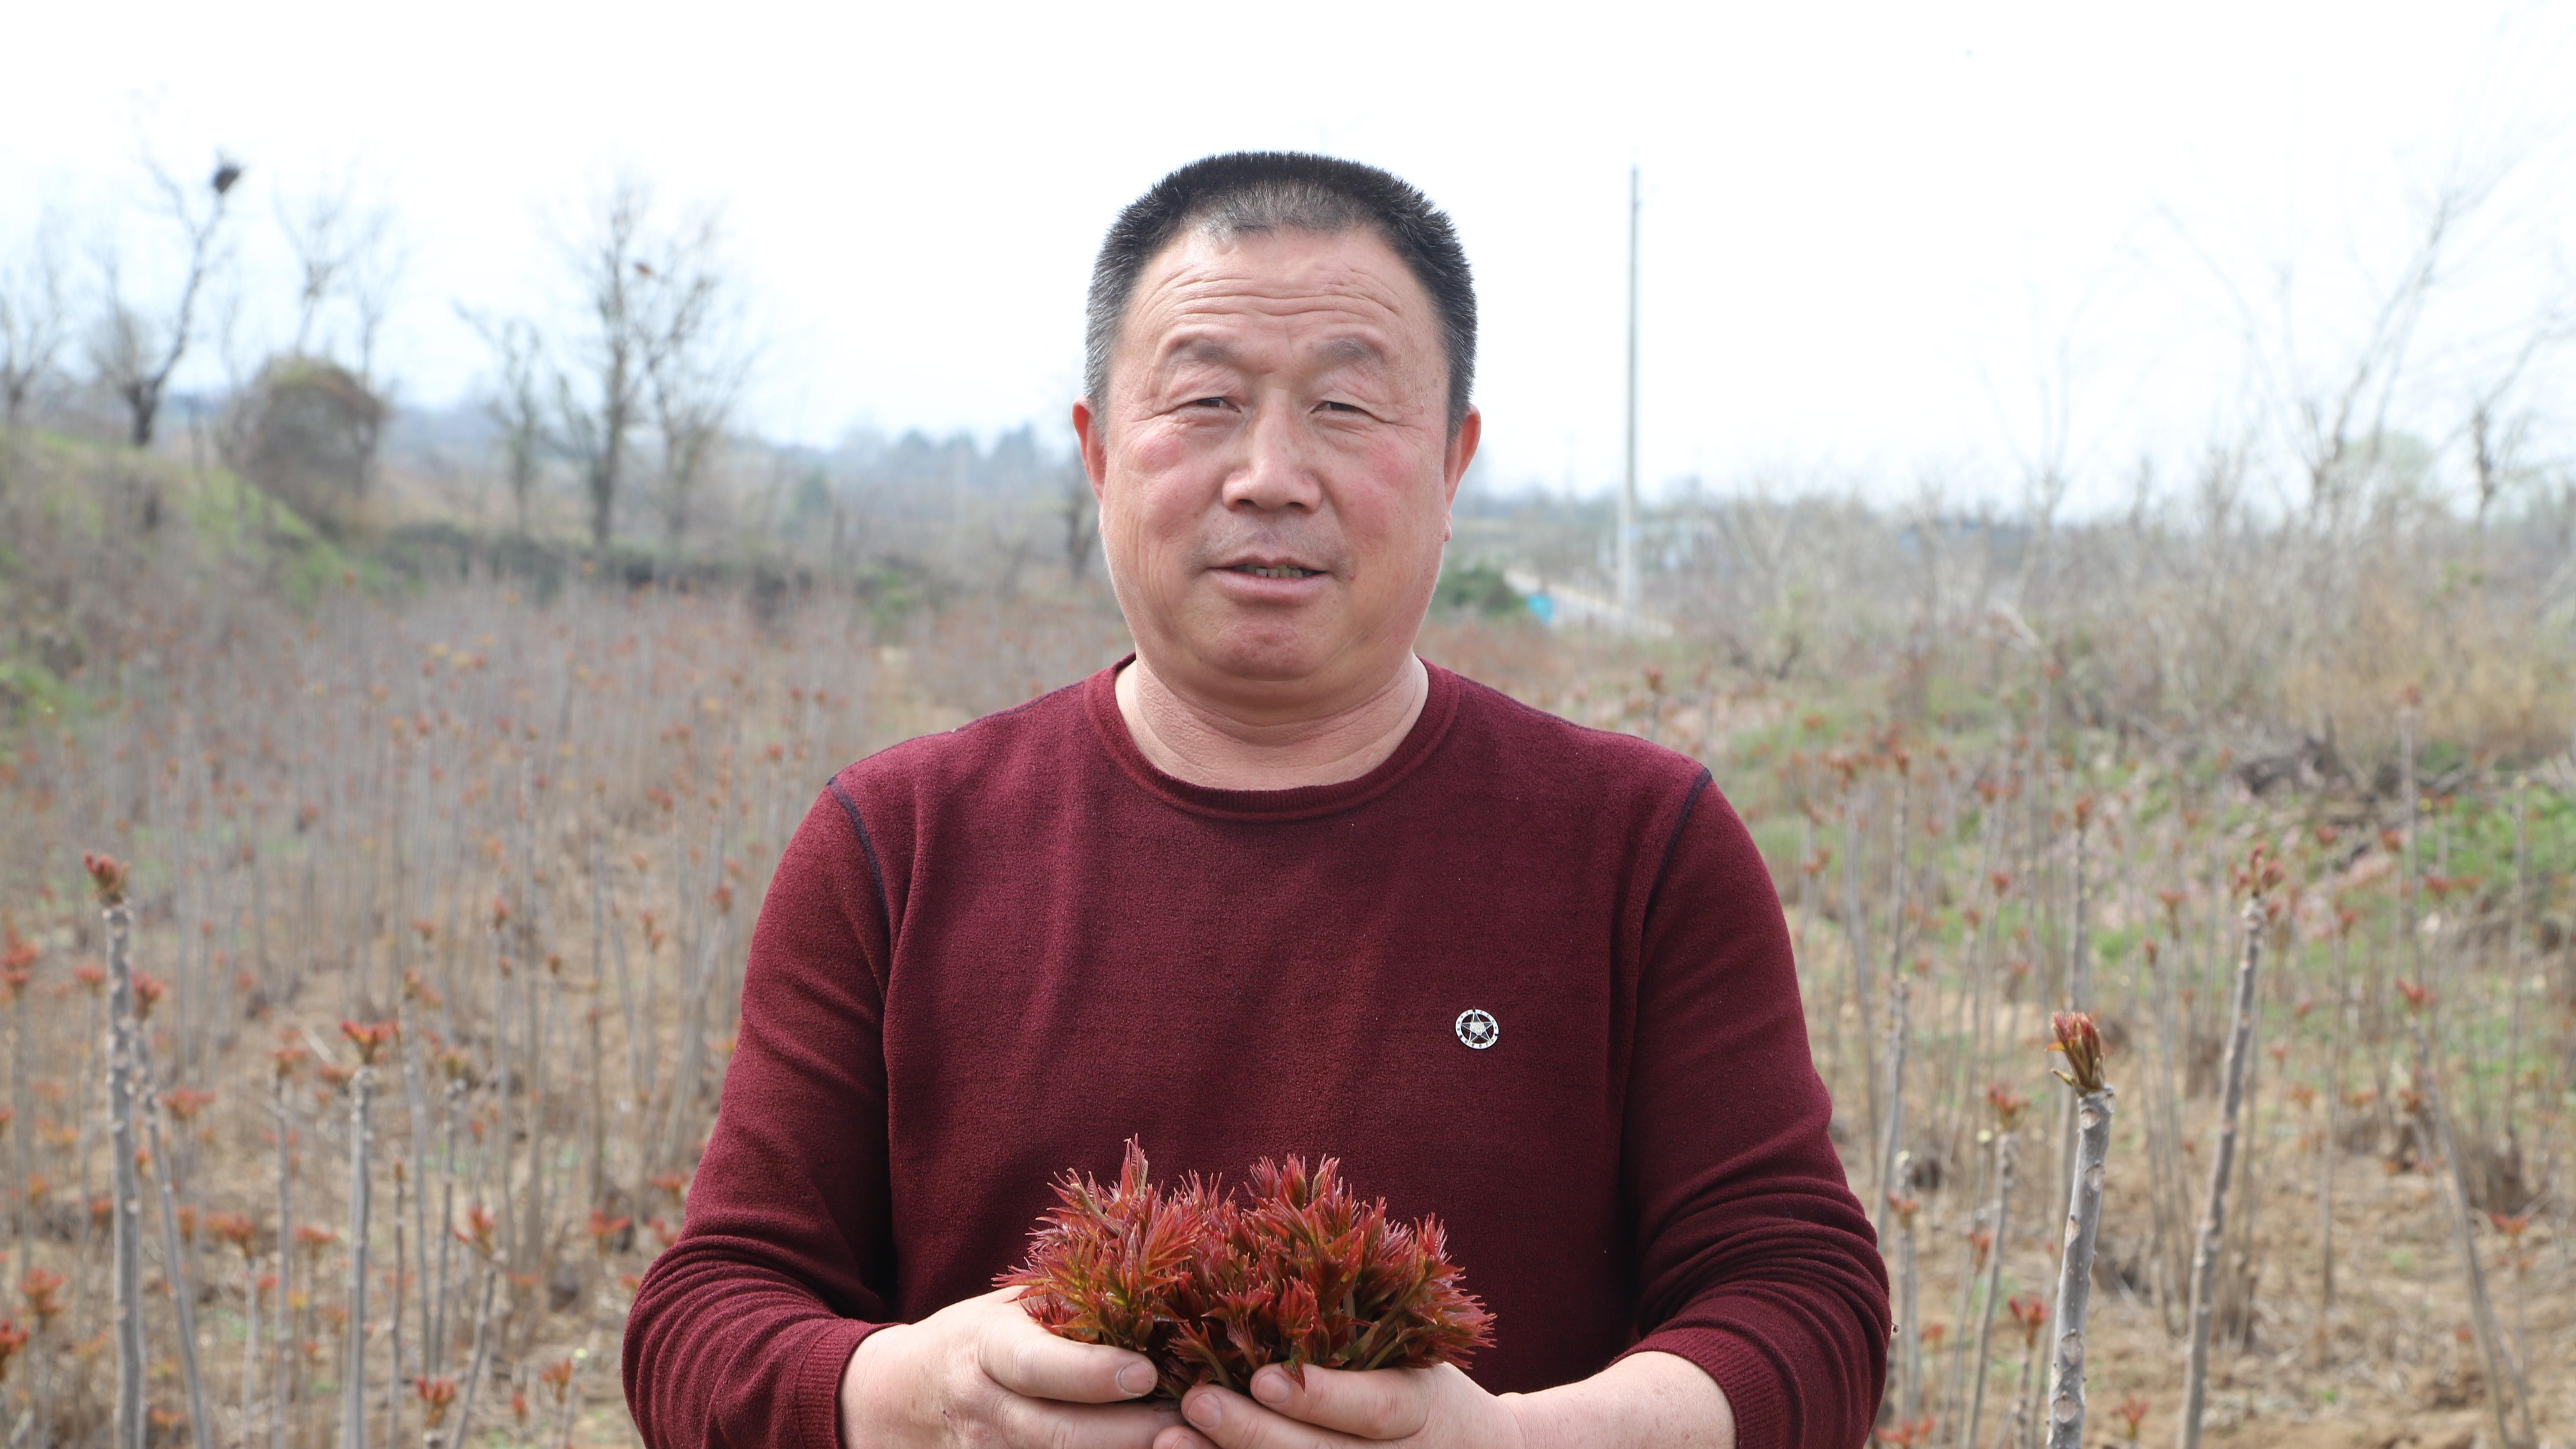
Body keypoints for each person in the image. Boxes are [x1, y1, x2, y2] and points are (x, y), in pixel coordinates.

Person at [623, 152, 1887, 1449]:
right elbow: (706, 1316)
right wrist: (915, 1400)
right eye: (1206, 401)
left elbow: (1806, 1307)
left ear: (1453, 463)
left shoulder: (1642, 849)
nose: (1271, 474)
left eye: (1345, 405)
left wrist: (1518, 1444)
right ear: (1097, 452)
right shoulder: (895, 844)